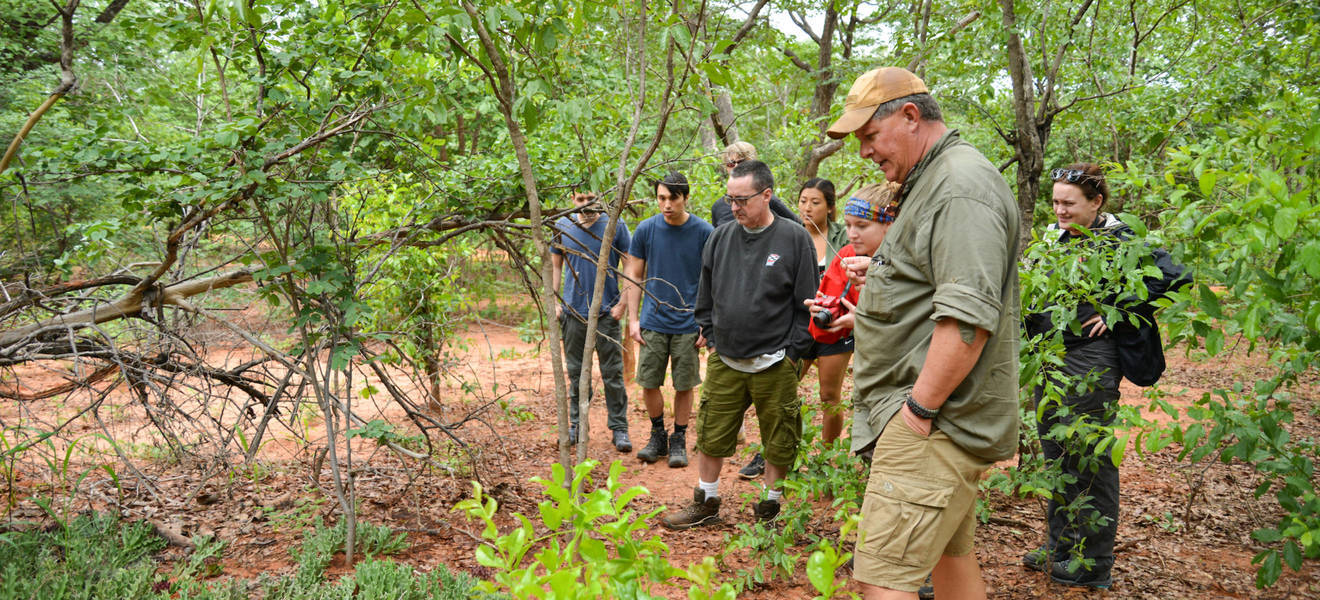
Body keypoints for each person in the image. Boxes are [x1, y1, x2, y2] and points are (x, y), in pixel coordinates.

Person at [827, 66, 1020, 600]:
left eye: (870, 136)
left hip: (934, 425)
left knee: (880, 580)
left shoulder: (959, 187)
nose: (865, 152)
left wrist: (918, 413)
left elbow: (966, 319)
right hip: (938, 423)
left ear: (910, 116)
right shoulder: (933, 179)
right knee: (950, 563)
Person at [1021, 163, 1187, 589]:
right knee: (1057, 452)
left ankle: (1092, 561)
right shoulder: (1054, 238)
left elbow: (1177, 278)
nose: (1059, 210)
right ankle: (1062, 547)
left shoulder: (1122, 239)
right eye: (1055, 201)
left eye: (1069, 203)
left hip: (1089, 360)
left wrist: (1117, 312)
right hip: (1050, 358)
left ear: (1096, 203)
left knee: (1088, 455)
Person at [661, 159, 817, 530]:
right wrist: (712, 338)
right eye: (730, 199)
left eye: (742, 200)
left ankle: (770, 510)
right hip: (726, 358)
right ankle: (706, 501)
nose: (734, 207)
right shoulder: (721, 236)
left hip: (776, 361)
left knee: (780, 438)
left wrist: (793, 353)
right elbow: (706, 295)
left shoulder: (794, 238)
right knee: (712, 432)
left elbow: (807, 302)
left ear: (767, 195)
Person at [625, 172, 714, 468]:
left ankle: (679, 438)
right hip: (653, 320)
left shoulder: (704, 231)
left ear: (685, 198)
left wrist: (707, 321)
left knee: (684, 384)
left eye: (673, 198)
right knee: (649, 381)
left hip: (689, 322)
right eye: (661, 198)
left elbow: (713, 279)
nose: (666, 204)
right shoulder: (646, 230)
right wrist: (633, 320)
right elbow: (634, 274)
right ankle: (657, 434)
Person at [803, 182, 900, 447]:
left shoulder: (909, 262)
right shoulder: (846, 254)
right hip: (855, 349)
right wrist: (821, 308)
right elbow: (831, 296)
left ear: (889, 225)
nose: (852, 233)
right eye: (847, 225)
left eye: (862, 226)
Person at [550, 190, 634, 453]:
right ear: (572, 200)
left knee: (613, 374)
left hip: (607, 314)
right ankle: (576, 425)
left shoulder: (615, 224)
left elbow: (630, 263)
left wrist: (623, 303)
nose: (586, 205)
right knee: (576, 373)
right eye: (579, 200)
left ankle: (619, 428)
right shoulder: (562, 224)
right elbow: (555, 264)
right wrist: (554, 302)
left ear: (600, 198)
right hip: (573, 313)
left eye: (591, 199)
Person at [795, 177, 854, 447]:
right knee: (782, 390)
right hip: (798, 325)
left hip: (834, 327)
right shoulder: (792, 235)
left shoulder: (844, 236)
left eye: (815, 202)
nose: (807, 207)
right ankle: (781, 451)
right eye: (803, 201)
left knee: (829, 395)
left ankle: (828, 457)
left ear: (830, 207)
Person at [710, 142, 802, 228]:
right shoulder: (718, 207)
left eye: (741, 162)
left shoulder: (767, 200)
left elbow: (799, 227)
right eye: (730, 164)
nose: (736, 167)